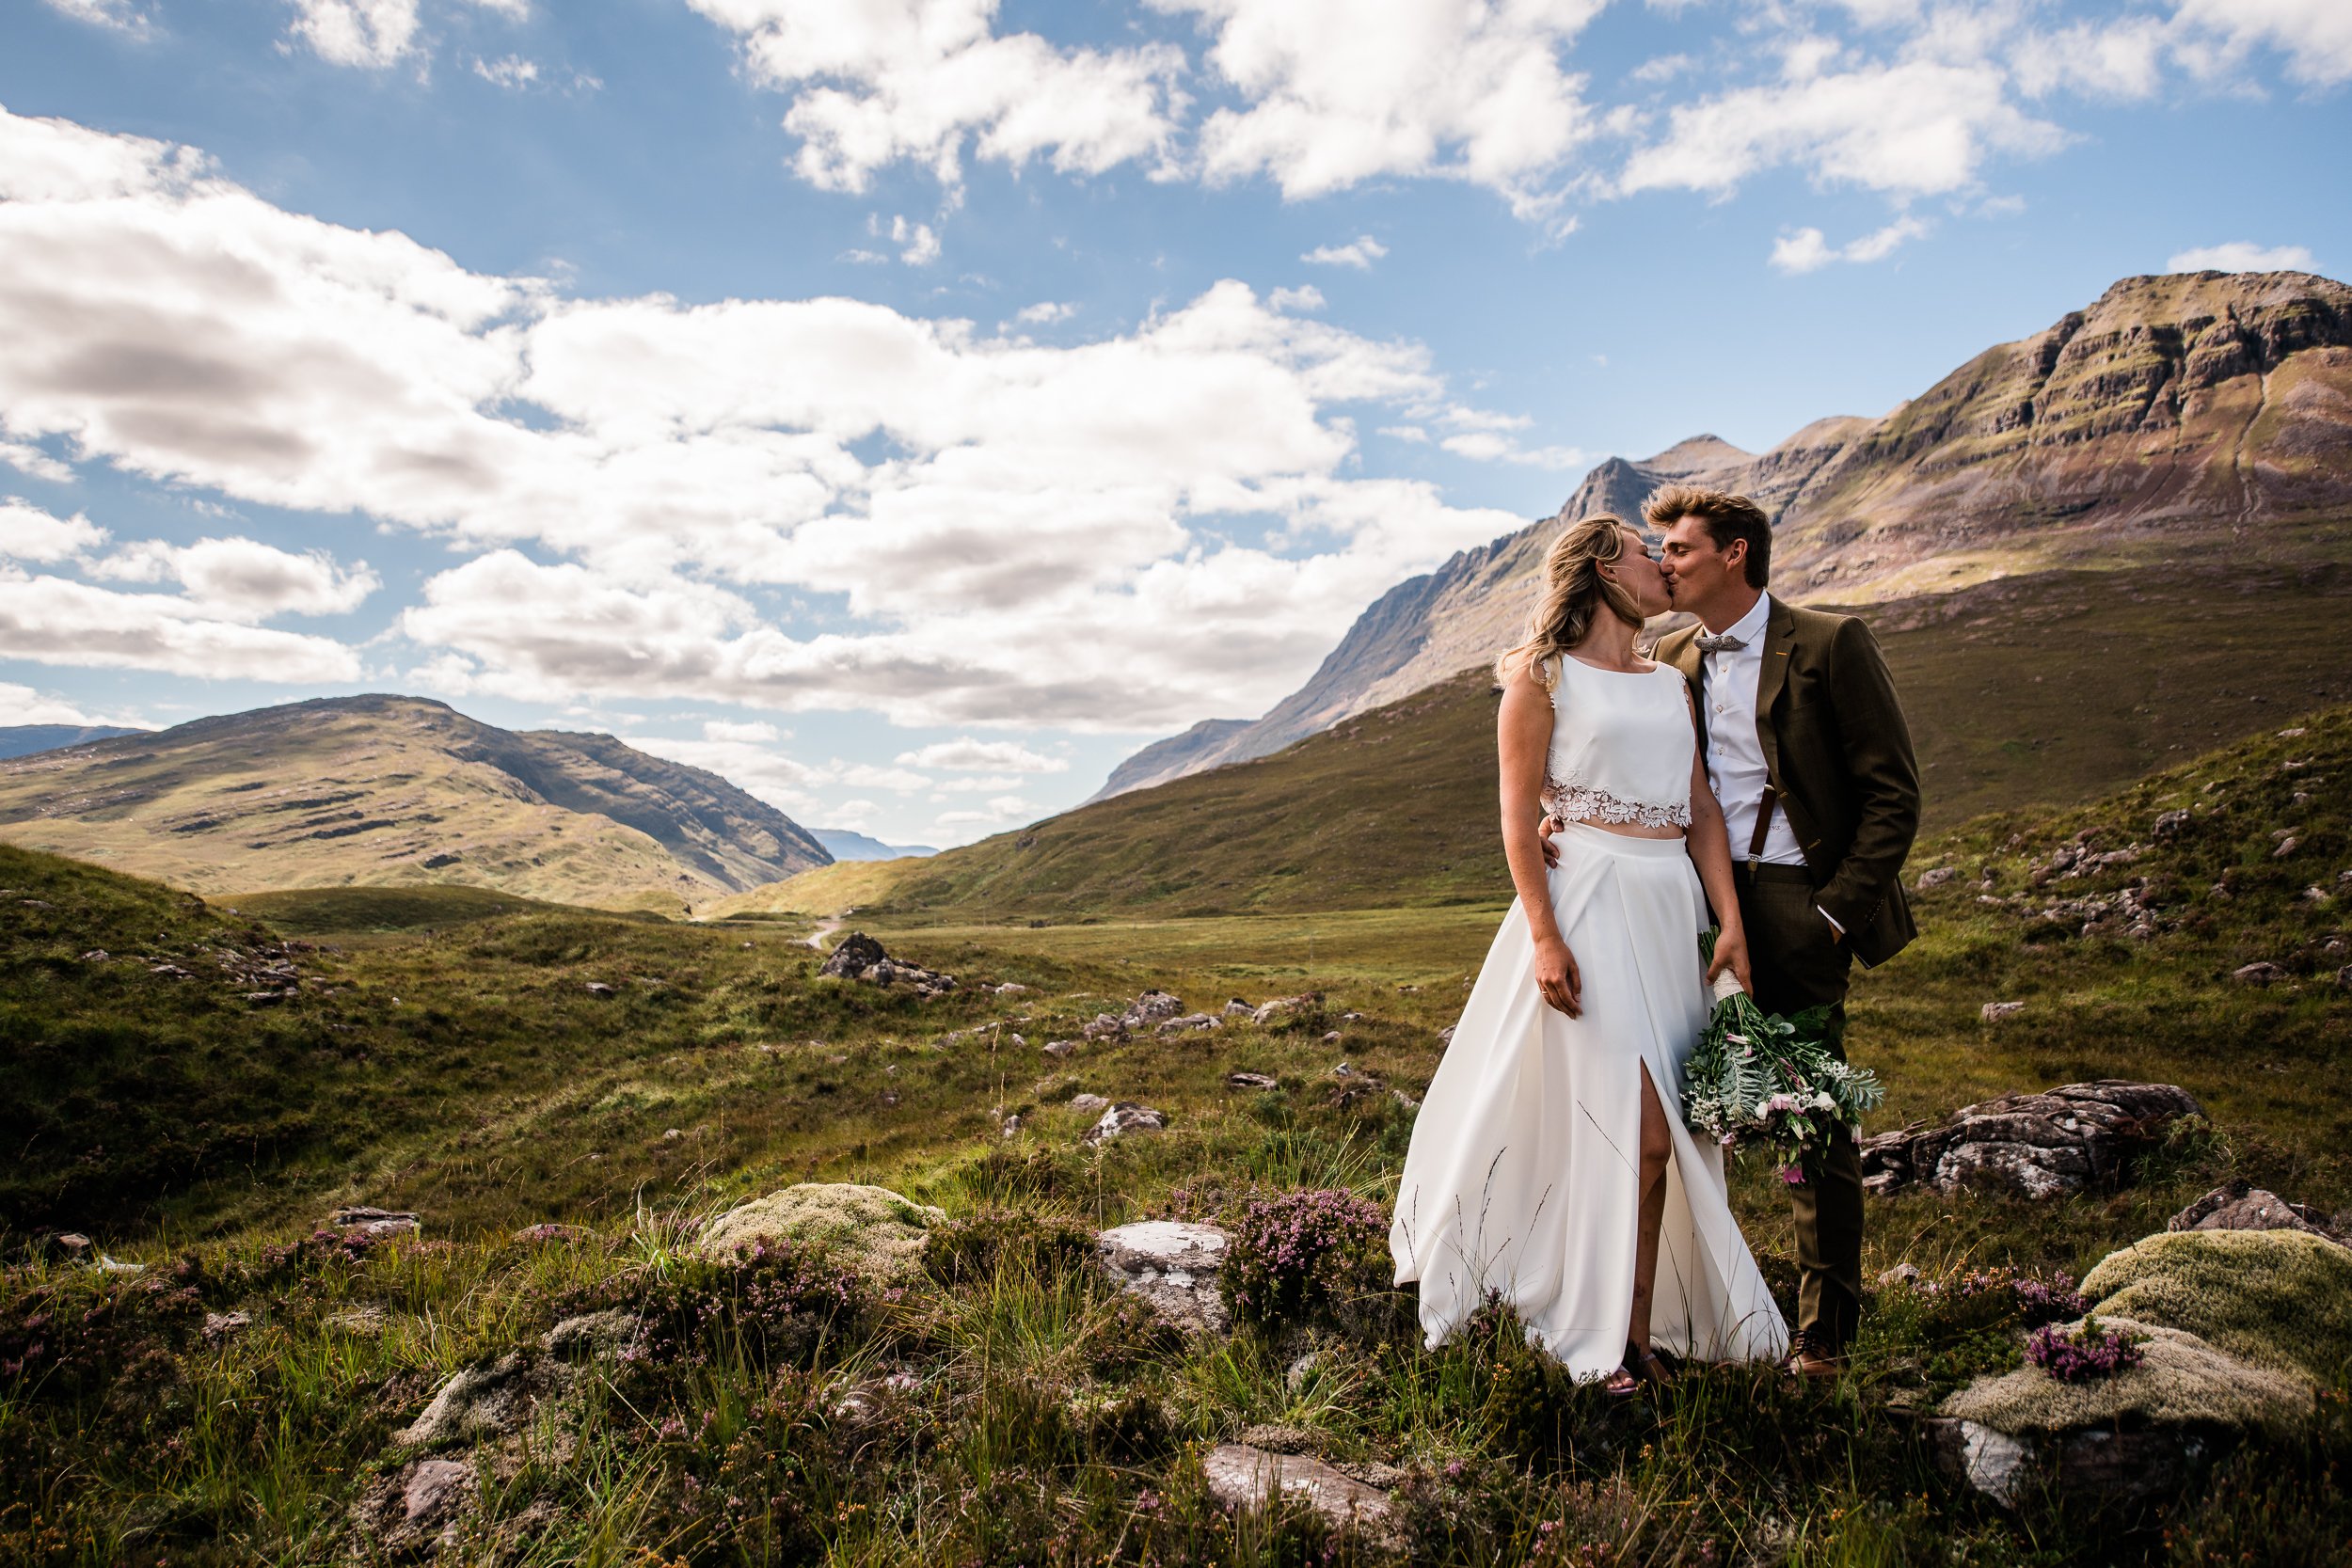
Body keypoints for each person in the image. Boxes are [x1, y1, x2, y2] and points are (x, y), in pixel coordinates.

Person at [1388, 514, 1790, 1395]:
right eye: (1649, 554)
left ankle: (1635, 1335)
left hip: (1666, 909)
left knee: (1663, 1141)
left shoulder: (1669, 685)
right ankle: (1592, 1330)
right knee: (1637, 1134)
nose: (1664, 567)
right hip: (1589, 912)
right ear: (1604, 570)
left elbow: (1703, 811)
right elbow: (1516, 816)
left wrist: (1729, 921)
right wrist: (1543, 934)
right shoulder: (1540, 680)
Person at [1645, 484, 1921, 1381]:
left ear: (1735, 553)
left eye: (1680, 549)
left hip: (1805, 904)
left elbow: (1893, 792)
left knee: (1809, 1117)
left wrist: (1836, 911)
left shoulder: (1832, 643)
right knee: (1690, 1103)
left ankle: (1825, 1333)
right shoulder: (1669, 653)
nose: (1665, 563)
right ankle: (1686, 1307)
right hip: (1696, 908)